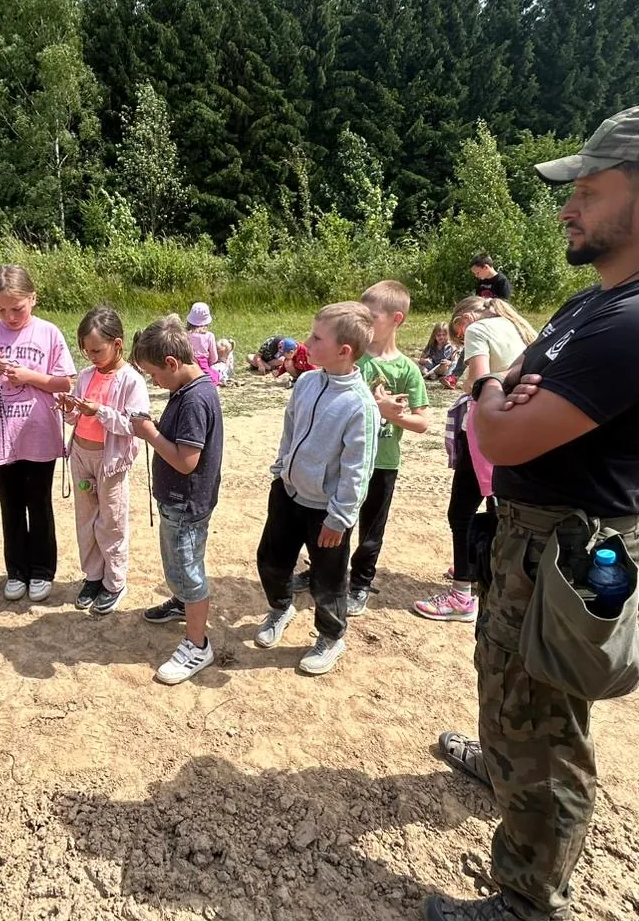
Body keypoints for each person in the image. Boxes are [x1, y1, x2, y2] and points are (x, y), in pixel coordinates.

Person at [427, 101, 639, 921]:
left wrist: (488, 391)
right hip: (533, 537)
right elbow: (521, 388)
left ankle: (530, 909)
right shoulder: (602, 299)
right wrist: (507, 392)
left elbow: (503, 427)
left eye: (589, 191)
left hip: (577, 549)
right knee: (506, 677)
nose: (568, 208)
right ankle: (499, 762)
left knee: (551, 732)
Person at [253, 302, 379, 676]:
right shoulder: (307, 382)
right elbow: (290, 429)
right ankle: (280, 608)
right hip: (288, 494)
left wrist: (339, 519)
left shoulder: (360, 406)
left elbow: (358, 470)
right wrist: (281, 470)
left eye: (316, 337)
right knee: (271, 561)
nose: (306, 342)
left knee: (328, 580)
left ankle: (330, 636)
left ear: (343, 351)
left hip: (327, 511)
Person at [292, 281, 427, 617]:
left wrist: (393, 416)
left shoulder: (406, 369)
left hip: (382, 462)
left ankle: (362, 582)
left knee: (370, 529)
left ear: (397, 319)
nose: (364, 318)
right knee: (333, 520)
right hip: (341, 461)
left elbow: (422, 422)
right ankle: (320, 571)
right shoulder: (351, 358)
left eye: (372, 314)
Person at [414, 296, 538, 623]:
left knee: (462, 511)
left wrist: (471, 382)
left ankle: (461, 596)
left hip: (487, 427)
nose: (461, 336)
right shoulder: (520, 328)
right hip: (518, 427)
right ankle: (483, 566)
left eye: (458, 331)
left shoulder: (479, 328)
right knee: (498, 505)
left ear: (465, 318)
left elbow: (478, 383)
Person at [0, 265, 76, 603]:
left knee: (39, 503)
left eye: (17, 308)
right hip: (2, 436)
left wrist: (28, 376)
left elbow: (64, 382)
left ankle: (42, 570)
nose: (9, 316)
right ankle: (17, 571)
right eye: (0, 309)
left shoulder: (48, 332)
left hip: (38, 433)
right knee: (9, 505)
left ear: (33, 299)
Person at [132, 317, 224, 685]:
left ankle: (197, 644)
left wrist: (150, 431)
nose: (154, 382)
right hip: (178, 502)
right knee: (177, 561)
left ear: (172, 363)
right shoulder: (186, 390)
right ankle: (183, 603)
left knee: (188, 569)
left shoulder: (195, 399)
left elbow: (186, 461)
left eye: (154, 374)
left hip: (186, 503)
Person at [60, 306, 150, 616]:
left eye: (97, 349)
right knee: (86, 519)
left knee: (111, 521)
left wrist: (98, 411)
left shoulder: (131, 380)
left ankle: (115, 582)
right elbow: (75, 417)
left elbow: (133, 425)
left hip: (110, 461)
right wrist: (67, 406)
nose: (92, 356)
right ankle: (93, 576)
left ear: (118, 344)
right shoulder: (85, 376)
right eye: (87, 351)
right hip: (82, 456)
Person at [186, 301, 221, 385]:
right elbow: (214, 358)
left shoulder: (185, 335)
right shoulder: (209, 336)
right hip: (203, 367)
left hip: (187, 366)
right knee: (216, 374)